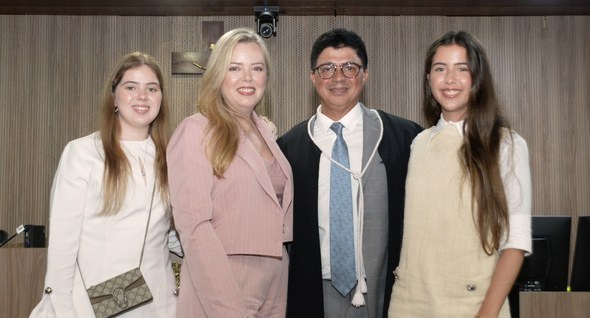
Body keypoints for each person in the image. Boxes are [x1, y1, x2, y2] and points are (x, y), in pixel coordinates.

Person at [277, 28, 422, 318]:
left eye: (349, 68)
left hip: (385, 287)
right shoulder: (289, 149)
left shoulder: (403, 138)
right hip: (315, 289)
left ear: (365, 75)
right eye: (327, 68)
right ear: (313, 77)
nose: (338, 77)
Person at [388, 31, 532, 317]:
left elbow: (515, 244)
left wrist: (486, 313)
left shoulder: (506, 144)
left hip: (475, 306)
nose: (450, 79)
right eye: (440, 69)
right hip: (409, 305)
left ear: (477, 79)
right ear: (429, 79)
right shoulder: (419, 143)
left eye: (461, 69)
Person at [29, 51, 179, 317]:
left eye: (152, 88)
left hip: (158, 305)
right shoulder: (83, 153)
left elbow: (168, 234)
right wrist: (64, 310)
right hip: (88, 303)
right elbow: (63, 247)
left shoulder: (172, 158)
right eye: (131, 87)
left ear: (161, 98)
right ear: (114, 97)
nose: (142, 96)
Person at [167, 28, 293, 318]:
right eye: (234, 68)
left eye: (257, 68)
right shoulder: (196, 130)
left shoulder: (267, 133)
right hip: (222, 284)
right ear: (217, 75)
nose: (247, 78)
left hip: (275, 282)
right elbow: (195, 228)